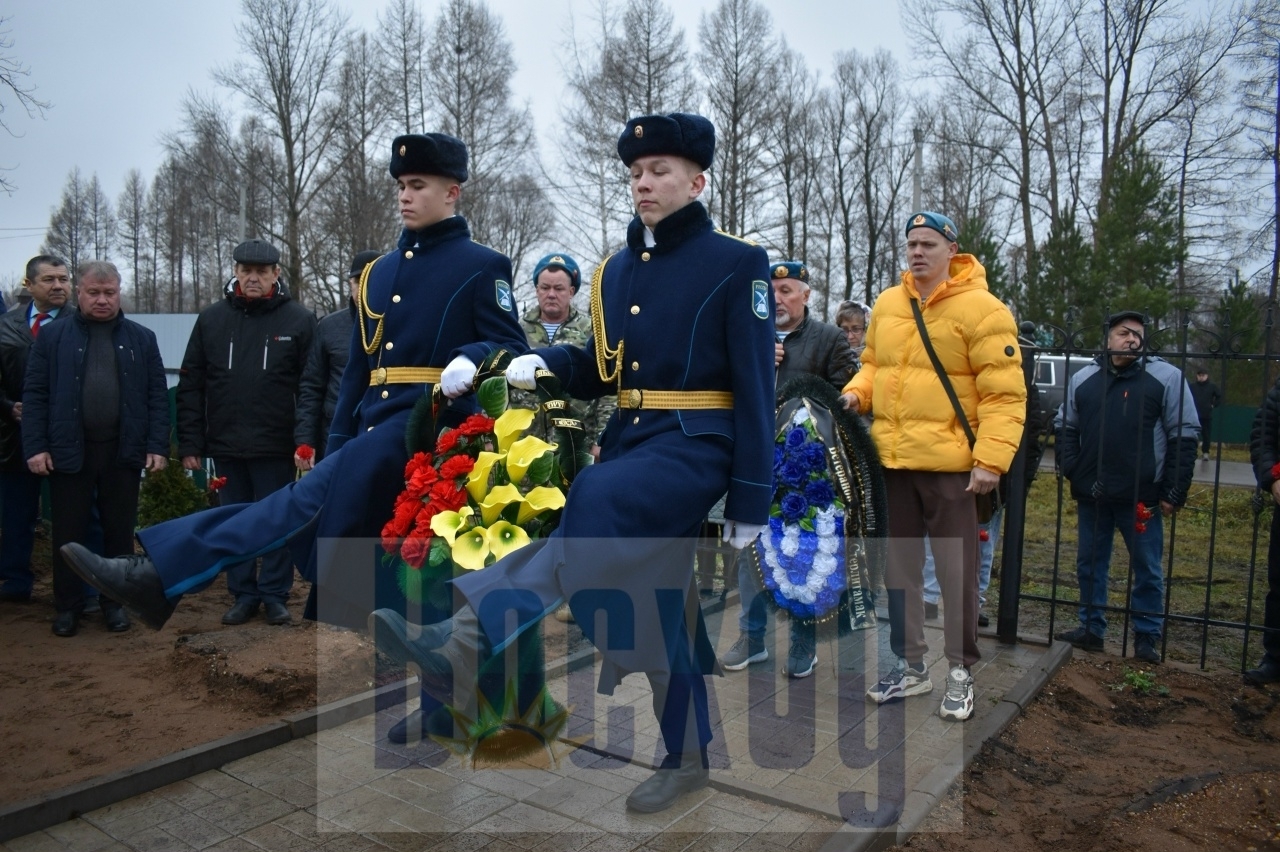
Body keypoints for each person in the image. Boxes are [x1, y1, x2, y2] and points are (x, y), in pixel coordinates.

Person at [369, 112, 774, 813]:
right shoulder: (616, 271)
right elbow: (603, 366)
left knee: (595, 498)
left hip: (698, 443)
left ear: (697, 180)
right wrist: (543, 361)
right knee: (660, 605)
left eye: (660, 172)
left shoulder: (737, 263)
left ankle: (465, 632)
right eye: (636, 173)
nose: (644, 183)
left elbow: (757, 389)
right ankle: (688, 756)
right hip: (635, 438)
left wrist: (750, 498)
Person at [58, 132, 527, 640]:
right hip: (375, 432)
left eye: (418, 185)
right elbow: (357, 375)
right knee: (398, 597)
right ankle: (158, 574)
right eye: (400, 185)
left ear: (452, 192)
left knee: (302, 514)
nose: (405, 196)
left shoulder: (482, 264)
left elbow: (510, 346)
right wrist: (338, 449)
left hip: (434, 432)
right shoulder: (379, 273)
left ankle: (158, 573)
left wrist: (473, 357)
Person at [842, 212, 1025, 722]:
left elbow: (1004, 395)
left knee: (955, 574)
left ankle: (961, 672)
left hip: (951, 467)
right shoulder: (888, 303)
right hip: (894, 461)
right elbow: (874, 365)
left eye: (928, 244)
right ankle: (912, 667)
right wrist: (857, 394)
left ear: (952, 249)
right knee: (898, 572)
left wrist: (990, 460)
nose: (917, 252)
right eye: (911, 244)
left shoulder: (984, 310)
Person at [721, 260, 857, 677]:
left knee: (802, 555)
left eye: (787, 291)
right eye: (771, 292)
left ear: (806, 295)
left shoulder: (830, 339)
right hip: (752, 462)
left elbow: (847, 400)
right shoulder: (746, 334)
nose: (778, 299)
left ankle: (804, 640)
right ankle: (752, 637)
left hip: (805, 472)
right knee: (750, 552)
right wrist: (759, 359)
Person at [23, 261, 169, 636]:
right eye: (94, 293)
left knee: (118, 533)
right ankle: (68, 608)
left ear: (119, 292)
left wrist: (156, 445)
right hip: (69, 451)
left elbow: (156, 396)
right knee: (68, 534)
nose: (102, 300)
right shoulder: (52, 337)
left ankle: (113, 605)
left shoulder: (142, 338)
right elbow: (36, 395)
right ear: (79, 292)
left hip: (122, 452)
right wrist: (36, 447)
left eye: (110, 293)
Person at [176, 238, 317, 627]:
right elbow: (192, 384)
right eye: (246, 270)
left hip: (277, 444)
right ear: (235, 272)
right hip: (226, 443)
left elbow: (311, 386)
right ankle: (242, 593)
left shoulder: (300, 320)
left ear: (276, 274)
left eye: (262, 271)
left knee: (277, 520)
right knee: (233, 521)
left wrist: (306, 439)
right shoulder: (211, 319)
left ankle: (274, 593)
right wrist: (190, 441)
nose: (253, 278)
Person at [1054, 311, 1198, 665]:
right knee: (1089, 563)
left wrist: (1173, 489)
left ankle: (1147, 637)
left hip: (1142, 496)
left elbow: (1185, 434)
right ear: (1108, 338)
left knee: (1147, 568)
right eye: (1124, 333)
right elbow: (1065, 427)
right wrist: (1073, 468)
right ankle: (1091, 627)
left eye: (1138, 334)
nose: (1132, 339)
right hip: (1093, 493)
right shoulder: (1084, 379)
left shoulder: (1166, 378)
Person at [0, 255, 72, 602]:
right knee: (17, 512)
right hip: (15, 438)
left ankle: (72, 585)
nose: (58, 286)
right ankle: (16, 581)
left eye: (63, 279)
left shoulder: (81, 322)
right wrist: (7, 406)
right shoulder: (7, 325)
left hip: (68, 435)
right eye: (49, 280)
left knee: (73, 515)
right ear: (29, 285)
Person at [512, 252, 616, 450]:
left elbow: (608, 389)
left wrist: (602, 440)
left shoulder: (592, 331)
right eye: (545, 287)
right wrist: (490, 436)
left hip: (575, 445)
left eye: (558, 288)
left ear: (571, 291)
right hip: (523, 446)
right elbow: (497, 381)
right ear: (536, 290)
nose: (551, 294)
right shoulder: (516, 331)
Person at [294, 249, 380, 468]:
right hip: (335, 433)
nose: (364, 286)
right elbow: (312, 387)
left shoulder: (402, 325)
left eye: (373, 278)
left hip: (381, 429)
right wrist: (305, 439)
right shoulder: (329, 327)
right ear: (350, 284)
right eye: (358, 280)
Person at [1246, 376, 1280, 685]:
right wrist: (1272, 478)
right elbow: (1263, 438)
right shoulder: (1278, 393)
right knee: (1279, 584)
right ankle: (1276, 658)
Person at [1189, 367, 1221, 462]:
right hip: (1193, 415)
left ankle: (1205, 453)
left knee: (1206, 435)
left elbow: (1219, 397)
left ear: (1207, 376)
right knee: (1192, 435)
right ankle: (1192, 452)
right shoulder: (1192, 386)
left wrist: (1213, 405)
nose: (1201, 377)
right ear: (1197, 376)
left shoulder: (1212, 387)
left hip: (1206, 416)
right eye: (1199, 375)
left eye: (1203, 375)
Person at [835, 299, 869, 368]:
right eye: (844, 329)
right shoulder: (831, 358)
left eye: (856, 329)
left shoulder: (876, 360)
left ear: (867, 329)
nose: (850, 336)